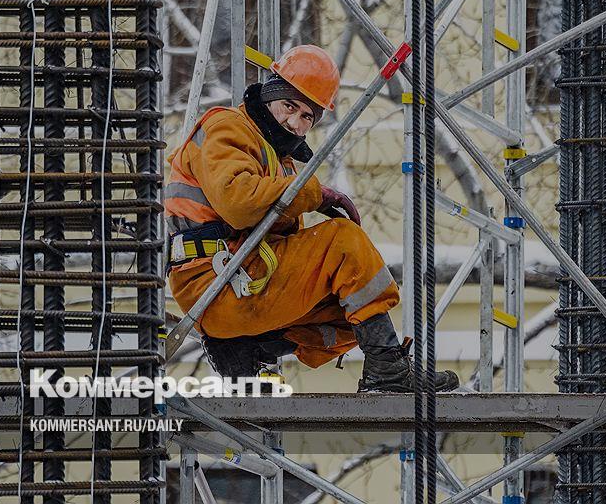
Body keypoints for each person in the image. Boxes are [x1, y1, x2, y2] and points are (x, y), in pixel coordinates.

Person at [165, 45, 458, 393]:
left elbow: (277, 240)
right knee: (343, 240)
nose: (295, 122)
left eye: (307, 116)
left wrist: (307, 198)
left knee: (353, 307)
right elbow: (238, 203)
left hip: (242, 282)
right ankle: (387, 372)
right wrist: (314, 194)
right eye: (289, 106)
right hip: (212, 283)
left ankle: (246, 347)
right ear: (269, 95)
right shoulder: (227, 126)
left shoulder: (279, 160)